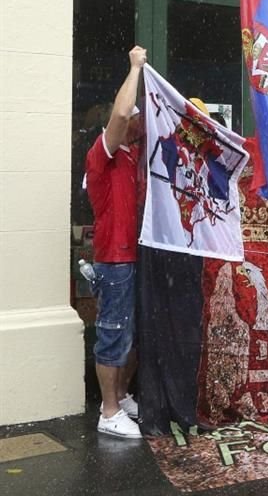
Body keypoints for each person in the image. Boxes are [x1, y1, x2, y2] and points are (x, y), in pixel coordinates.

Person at [84, 46, 147, 439]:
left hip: (134, 257)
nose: (138, 122)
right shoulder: (102, 154)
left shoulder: (133, 155)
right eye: (135, 119)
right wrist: (135, 67)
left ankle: (121, 396)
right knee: (112, 333)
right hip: (114, 260)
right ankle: (108, 412)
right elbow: (121, 112)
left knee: (130, 333)